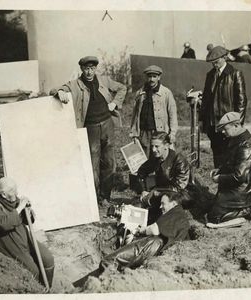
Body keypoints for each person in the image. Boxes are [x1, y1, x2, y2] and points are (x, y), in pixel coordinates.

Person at [51, 56, 127, 205]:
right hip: (90, 128)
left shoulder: (104, 81)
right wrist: (59, 92)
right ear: (81, 69)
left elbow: (122, 88)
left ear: (95, 69)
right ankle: (93, 198)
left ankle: (105, 197)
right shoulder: (75, 84)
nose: (89, 72)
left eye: (92, 68)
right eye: (86, 68)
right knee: (93, 163)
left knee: (110, 162)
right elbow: (55, 89)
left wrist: (115, 103)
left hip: (107, 124)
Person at [0, 177, 54, 288]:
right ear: (3, 194)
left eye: (16, 189)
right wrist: (20, 207)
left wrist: (28, 210)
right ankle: (38, 292)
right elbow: (3, 224)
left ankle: (48, 289)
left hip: (23, 237)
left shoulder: (11, 198)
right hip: (6, 241)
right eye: (13, 191)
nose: (16, 193)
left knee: (48, 259)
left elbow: (28, 221)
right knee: (33, 271)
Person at [100, 191, 190, 271]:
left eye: (163, 204)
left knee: (108, 261)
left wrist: (141, 231)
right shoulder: (180, 216)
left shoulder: (176, 212)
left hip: (156, 244)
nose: (160, 206)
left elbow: (154, 230)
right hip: (162, 251)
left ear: (173, 204)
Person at [206, 112, 251, 228]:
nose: (222, 132)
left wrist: (219, 178)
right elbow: (231, 163)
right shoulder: (237, 139)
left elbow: (239, 176)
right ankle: (245, 208)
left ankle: (248, 211)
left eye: (225, 129)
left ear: (236, 126)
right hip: (238, 187)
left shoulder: (246, 146)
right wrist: (219, 170)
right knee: (209, 209)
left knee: (214, 218)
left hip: (243, 190)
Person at [200, 45, 248, 167]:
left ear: (224, 58)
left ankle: (229, 179)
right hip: (213, 123)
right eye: (212, 63)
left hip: (228, 123)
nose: (214, 65)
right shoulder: (210, 75)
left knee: (229, 153)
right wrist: (202, 119)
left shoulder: (235, 74)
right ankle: (219, 176)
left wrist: (238, 123)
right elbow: (206, 99)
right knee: (217, 151)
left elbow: (241, 101)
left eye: (216, 62)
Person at [136, 131, 190, 223]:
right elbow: (141, 172)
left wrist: (155, 192)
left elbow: (178, 187)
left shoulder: (178, 159)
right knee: (138, 207)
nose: (153, 150)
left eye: (157, 146)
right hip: (162, 192)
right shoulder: (155, 158)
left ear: (166, 146)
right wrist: (144, 190)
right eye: (152, 146)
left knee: (158, 209)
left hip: (182, 194)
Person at [130, 66, 178, 157]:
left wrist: (173, 133)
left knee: (159, 157)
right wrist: (134, 133)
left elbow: (172, 114)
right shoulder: (140, 93)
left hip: (159, 131)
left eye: (154, 76)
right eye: (149, 76)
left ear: (159, 77)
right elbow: (135, 115)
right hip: (144, 132)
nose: (151, 79)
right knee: (144, 157)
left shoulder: (166, 93)